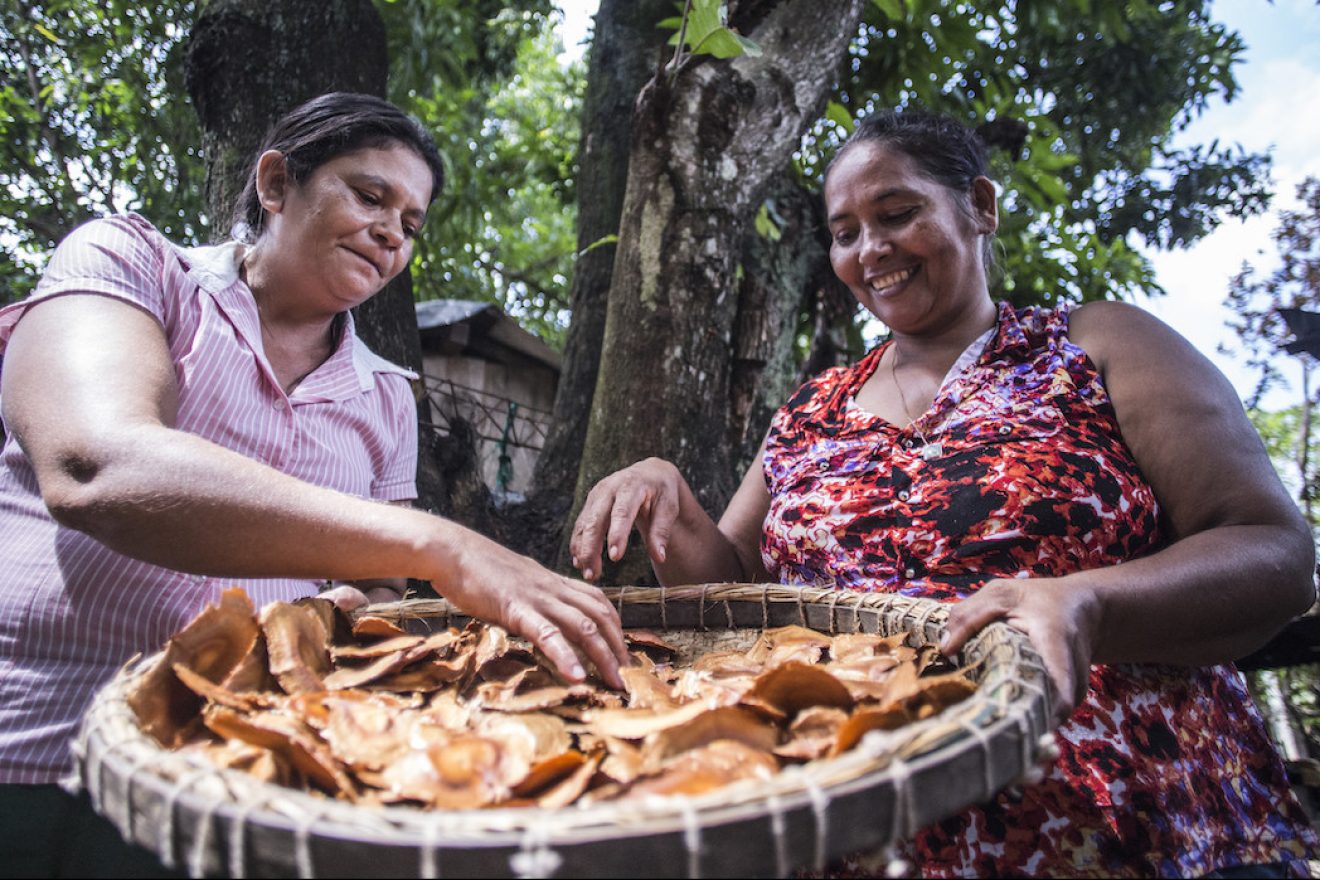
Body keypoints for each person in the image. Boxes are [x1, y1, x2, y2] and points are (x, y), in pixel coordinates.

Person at [570, 108, 1320, 878]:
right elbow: (736, 595)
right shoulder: (809, 410)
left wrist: (1088, 601)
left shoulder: (1098, 345)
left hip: (1136, 819)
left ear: (981, 207)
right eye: (845, 232)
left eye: (897, 214)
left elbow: (1274, 551)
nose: (872, 250)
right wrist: (669, 497)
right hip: (865, 829)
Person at [0, 92, 628, 878]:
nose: (390, 232)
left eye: (411, 223)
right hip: (27, 739)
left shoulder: (386, 396)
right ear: (275, 183)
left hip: (230, 780)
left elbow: (384, 592)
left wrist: (358, 615)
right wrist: (443, 544)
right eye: (370, 196)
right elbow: (95, 464)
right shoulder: (134, 268)